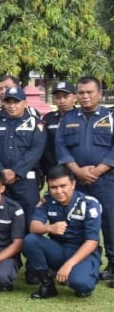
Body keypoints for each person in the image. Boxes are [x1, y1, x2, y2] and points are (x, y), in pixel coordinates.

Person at [55, 76, 114, 279]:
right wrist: (78, 171)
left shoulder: (110, 116)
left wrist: (97, 171)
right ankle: (82, 263)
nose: (85, 96)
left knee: (109, 222)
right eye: (81, 93)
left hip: (105, 181)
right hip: (76, 181)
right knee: (76, 222)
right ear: (77, 95)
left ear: (100, 93)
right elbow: (61, 147)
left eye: (90, 92)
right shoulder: (69, 118)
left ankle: (113, 266)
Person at [24, 165, 102, 299]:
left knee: (81, 285)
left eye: (63, 186)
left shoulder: (89, 204)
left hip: (82, 251)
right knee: (31, 240)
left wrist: (69, 264)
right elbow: (33, 226)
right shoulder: (48, 200)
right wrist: (49, 228)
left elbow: (92, 241)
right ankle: (47, 285)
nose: (58, 191)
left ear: (73, 184)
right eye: (53, 187)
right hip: (58, 249)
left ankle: (84, 272)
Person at [0, 85, 45, 210]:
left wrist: (16, 172)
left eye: (16, 102)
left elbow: (36, 150)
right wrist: (2, 172)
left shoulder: (34, 123)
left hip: (26, 180)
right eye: (8, 102)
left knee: (30, 217)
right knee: (3, 217)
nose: (12, 106)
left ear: (25, 103)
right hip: (1, 180)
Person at [41, 80, 76, 176]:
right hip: (53, 168)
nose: (62, 101)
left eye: (65, 97)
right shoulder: (48, 118)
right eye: (58, 97)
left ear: (74, 97)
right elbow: (45, 145)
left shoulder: (80, 117)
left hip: (77, 168)